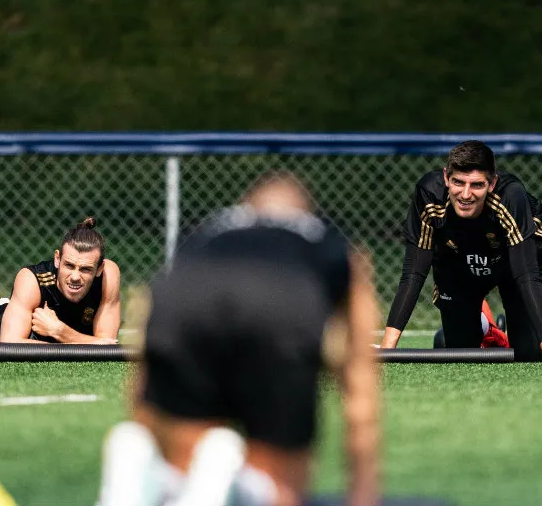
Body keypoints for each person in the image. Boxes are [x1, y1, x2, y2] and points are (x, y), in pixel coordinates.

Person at [97, 172, 381, 506]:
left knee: (184, 456)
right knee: (284, 487)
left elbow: (149, 323)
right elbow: (360, 379)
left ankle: (153, 469)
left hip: (184, 297)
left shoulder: (209, 232)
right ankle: (239, 485)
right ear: (305, 212)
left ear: (247, 207)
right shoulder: (329, 241)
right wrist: (363, 493)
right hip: (282, 298)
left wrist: (147, 423)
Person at [380, 140, 542, 364]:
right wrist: (387, 351)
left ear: (492, 183)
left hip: (513, 262)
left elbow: (526, 275)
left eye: (476, 185)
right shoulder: (429, 195)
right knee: (459, 353)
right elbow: (413, 274)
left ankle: (497, 330)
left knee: (528, 354)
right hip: (457, 260)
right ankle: (484, 327)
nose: (466, 194)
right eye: (458, 182)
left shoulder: (511, 197)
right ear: (446, 177)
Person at [0, 218, 122, 355]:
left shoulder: (109, 275)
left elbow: (107, 344)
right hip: (1, 331)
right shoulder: (32, 279)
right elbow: (10, 344)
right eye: (69, 265)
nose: (75, 276)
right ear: (57, 259)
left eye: (85, 269)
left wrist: (60, 332)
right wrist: (75, 339)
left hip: (53, 333)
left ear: (99, 269)